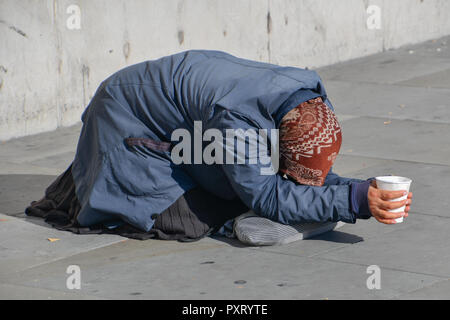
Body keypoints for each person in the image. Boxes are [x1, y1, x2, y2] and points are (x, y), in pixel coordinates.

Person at [26, 50, 413, 241]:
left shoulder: (304, 96)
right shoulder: (237, 120)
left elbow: (301, 165)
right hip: (124, 119)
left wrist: (360, 191)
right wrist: (350, 202)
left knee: (251, 183)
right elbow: (268, 197)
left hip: (180, 118)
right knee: (193, 218)